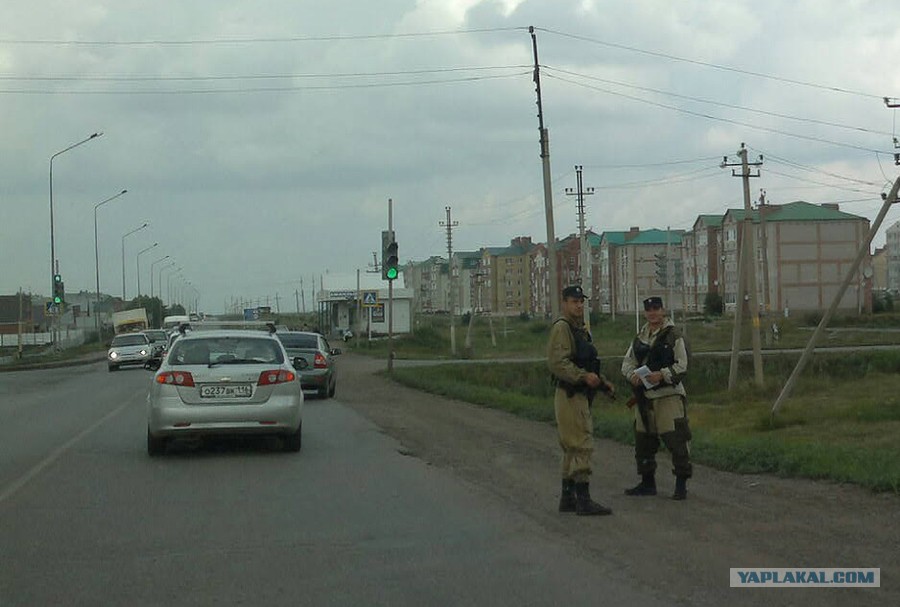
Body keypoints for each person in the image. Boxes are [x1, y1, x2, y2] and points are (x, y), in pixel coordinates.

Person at [547, 285, 615, 516]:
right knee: (581, 444)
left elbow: (585, 362)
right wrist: (583, 377)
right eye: (574, 301)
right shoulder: (563, 328)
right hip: (571, 394)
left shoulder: (578, 329)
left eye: (580, 302)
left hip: (578, 393)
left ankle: (568, 498)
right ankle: (583, 500)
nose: (578, 305)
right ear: (564, 303)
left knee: (571, 447)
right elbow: (558, 363)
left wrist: (602, 383)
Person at [621, 296, 693, 500]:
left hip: (668, 395)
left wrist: (661, 375)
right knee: (643, 442)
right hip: (645, 397)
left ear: (663, 310)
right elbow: (627, 363)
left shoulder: (674, 335)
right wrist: (633, 376)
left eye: (656, 308)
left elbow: (683, 364)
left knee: (676, 439)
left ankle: (681, 485)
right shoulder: (640, 337)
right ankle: (647, 483)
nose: (652, 313)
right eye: (649, 309)